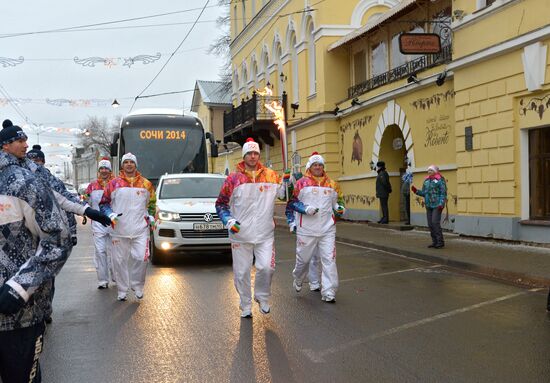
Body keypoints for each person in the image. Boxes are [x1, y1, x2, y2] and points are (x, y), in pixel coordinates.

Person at [0, 122, 71, 382]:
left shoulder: (22, 182)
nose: (26, 145)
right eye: (21, 141)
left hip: (17, 316)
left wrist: (20, 286)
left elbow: (58, 238)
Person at [215, 138, 288, 318]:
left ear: (258, 155)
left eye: (256, 153)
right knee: (242, 273)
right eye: (250, 153)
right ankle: (245, 304)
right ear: (244, 156)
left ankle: (262, 297)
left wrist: (287, 182)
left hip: (265, 233)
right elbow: (221, 205)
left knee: (266, 268)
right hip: (240, 234)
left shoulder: (271, 176)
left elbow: (283, 195)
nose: (253, 156)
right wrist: (229, 221)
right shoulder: (233, 179)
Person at [287, 152, 345, 303]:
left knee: (329, 260)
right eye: (315, 165)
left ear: (323, 167)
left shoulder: (332, 184)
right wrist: (305, 209)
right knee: (303, 260)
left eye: (320, 165)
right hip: (306, 229)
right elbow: (292, 203)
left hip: (327, 229)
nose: (318, 167)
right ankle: (298, 277)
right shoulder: (301, 183)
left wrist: (340, 208)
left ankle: (329, 291)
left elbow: (338, 202)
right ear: (310, 167)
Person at [100, 153, 156, 301]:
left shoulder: (146, 184)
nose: (129, 164)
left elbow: (152, 204)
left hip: (140, 229)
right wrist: (110, 214)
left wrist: (150, 216)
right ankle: (122, 289)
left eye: (132, 162)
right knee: (119, 262)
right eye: (126, 162)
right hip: (119, 230)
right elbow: (104, 203)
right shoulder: (114, 184)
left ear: (136, 165)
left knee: (142, 258)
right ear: (122, 165)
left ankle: (137, 286)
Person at [84, 158, 115, 289]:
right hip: (97, 223)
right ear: (99, 171)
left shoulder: (116, 184)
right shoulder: (92, 186)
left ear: (110, 170)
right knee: (100, 251)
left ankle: (116, 277)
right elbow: (86, 202)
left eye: (106, 168)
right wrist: (85, 212)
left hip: (113, 222)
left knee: (114, 252)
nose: (103, 171)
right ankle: (103, 280)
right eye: (101, 168)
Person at [411, 165, 447, 248]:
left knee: (435, 222)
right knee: (430, 224)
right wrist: (416, 191)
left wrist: (441, 203)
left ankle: (440, 241)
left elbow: (443, 192)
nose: (429, 172)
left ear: (435, 171)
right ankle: (434, 242)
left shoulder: (440, 180)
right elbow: (424, 193)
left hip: (437, 205)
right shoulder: (426, 181)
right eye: (428, 170)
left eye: (431, 170)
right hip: (428, 205)